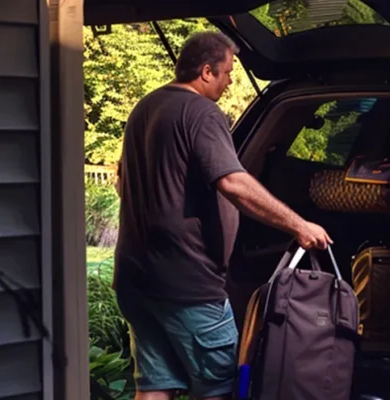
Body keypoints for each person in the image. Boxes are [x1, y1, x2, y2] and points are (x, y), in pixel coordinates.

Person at [113, 31, 333, 400]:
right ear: (205, 72)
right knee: (220, 389)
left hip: (136, 278)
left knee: (154, 388)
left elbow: (122, 181)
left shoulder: (145, 108)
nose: (231, 82)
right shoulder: (201, 112)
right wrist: (299, 225)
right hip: (188, 284)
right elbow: (233, 182)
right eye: (228, 73)